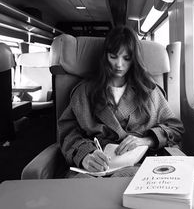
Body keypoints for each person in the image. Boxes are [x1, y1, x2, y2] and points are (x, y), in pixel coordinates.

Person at [58, 25, 184, 177]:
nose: (119, 64)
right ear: (105, 56)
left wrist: (146, 140)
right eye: (113, 56)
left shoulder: (149, 90)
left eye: (126, 58)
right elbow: (67, 132)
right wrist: (85, 156)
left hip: (138, 165)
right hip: (94, 167)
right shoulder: (84, 91)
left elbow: (175, 128)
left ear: (134, 59)